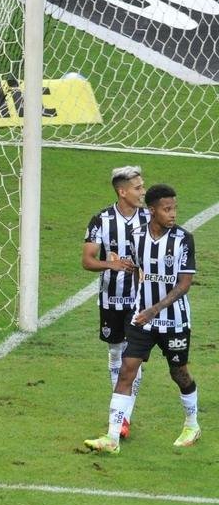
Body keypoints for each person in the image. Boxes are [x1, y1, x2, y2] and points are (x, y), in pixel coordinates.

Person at [85, 184, 199, 453]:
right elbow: (136, 268)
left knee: (179, 373)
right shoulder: (137, 237)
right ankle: (112, 438)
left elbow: (184, 284)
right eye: (166, 209)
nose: (172, 214)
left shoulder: (183, 239)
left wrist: (154, 309)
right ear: (152, 211)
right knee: (126, 371)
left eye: (174, 208)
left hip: (173, 320)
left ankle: (192, 425)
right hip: (142, 320)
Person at [82, 165, 148, 439]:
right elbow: (87, 261)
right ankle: (120, 415)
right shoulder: (101, 220)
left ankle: (123, 418)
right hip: (110, 299)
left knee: (132, 359)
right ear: (122, 192)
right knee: (115, 354)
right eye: (137, 188)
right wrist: (111, 266)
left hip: (141, 301)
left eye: (143, 187)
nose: (143, 192)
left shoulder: (149, 218)